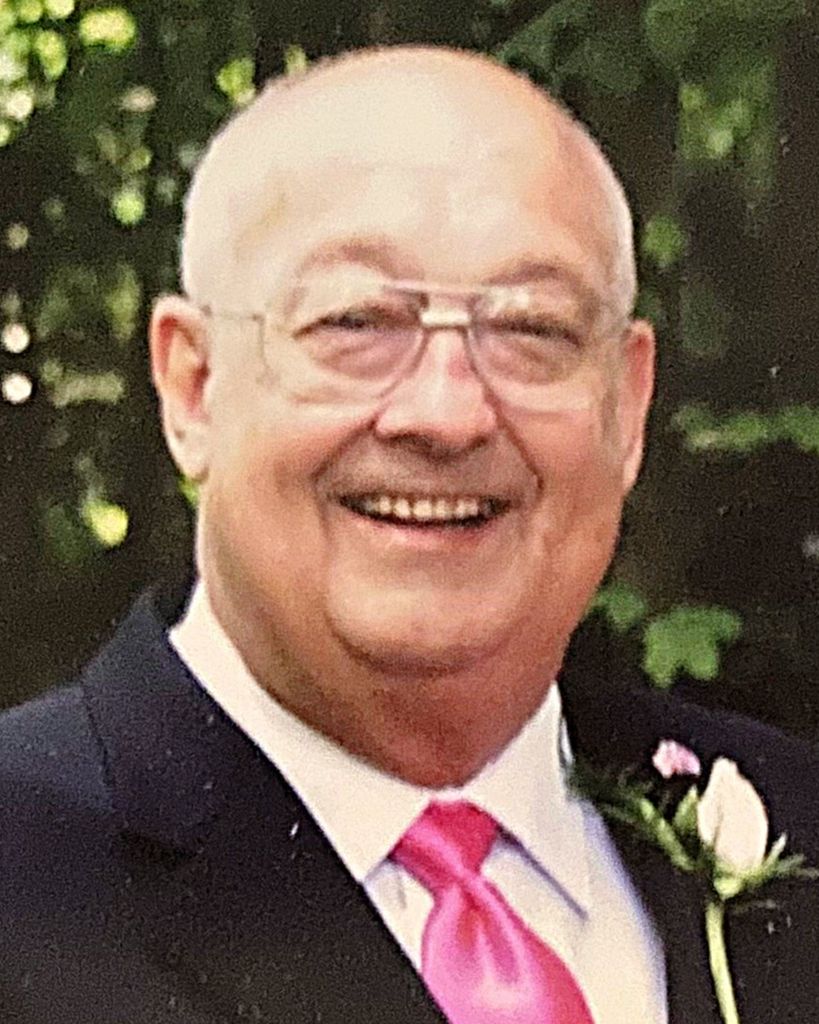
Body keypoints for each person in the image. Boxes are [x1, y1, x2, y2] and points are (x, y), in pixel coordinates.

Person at [1, 45, 817, 1024]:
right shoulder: (25, 867)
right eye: (354, 321)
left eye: (533, 328)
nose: (447, 414)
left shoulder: (792, 826)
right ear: (193, 387)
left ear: (626, 405)